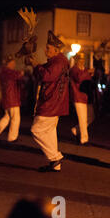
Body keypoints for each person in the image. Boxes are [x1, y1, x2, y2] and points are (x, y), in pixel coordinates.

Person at [28, 31, 69, 172]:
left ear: (56, 50)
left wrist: (35, 65)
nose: (45, 50)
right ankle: (56, 165)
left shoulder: (58, 61)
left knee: (36, 130)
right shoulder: (58, 61)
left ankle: (55, 157)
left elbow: (46, 76)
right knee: (50, 133)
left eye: (48, 48)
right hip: (55, 102)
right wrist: (35, 64)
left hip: (50, 102)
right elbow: (44, 71)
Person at [0, 55, 23, 143]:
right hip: (12, 99)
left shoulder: (3, 71)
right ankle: (12, 138)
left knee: (7, 117)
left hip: (8, 98)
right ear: (9, 63)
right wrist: (21, 73)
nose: (14, 64)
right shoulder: (7, 71)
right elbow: (18, 75)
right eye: (12, 63)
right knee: (15, 118)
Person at [69, 53, 95, 145]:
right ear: (76, 60)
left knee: (91, 117)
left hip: (86, 96)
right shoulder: (73, 69)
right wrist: (88, 72)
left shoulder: (85, 69)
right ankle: (84, 139)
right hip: (78, 96)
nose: (82, 60)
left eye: (83, 59)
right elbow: (79, 78)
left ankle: (75, 130)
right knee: (82, 118)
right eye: (80, 59)